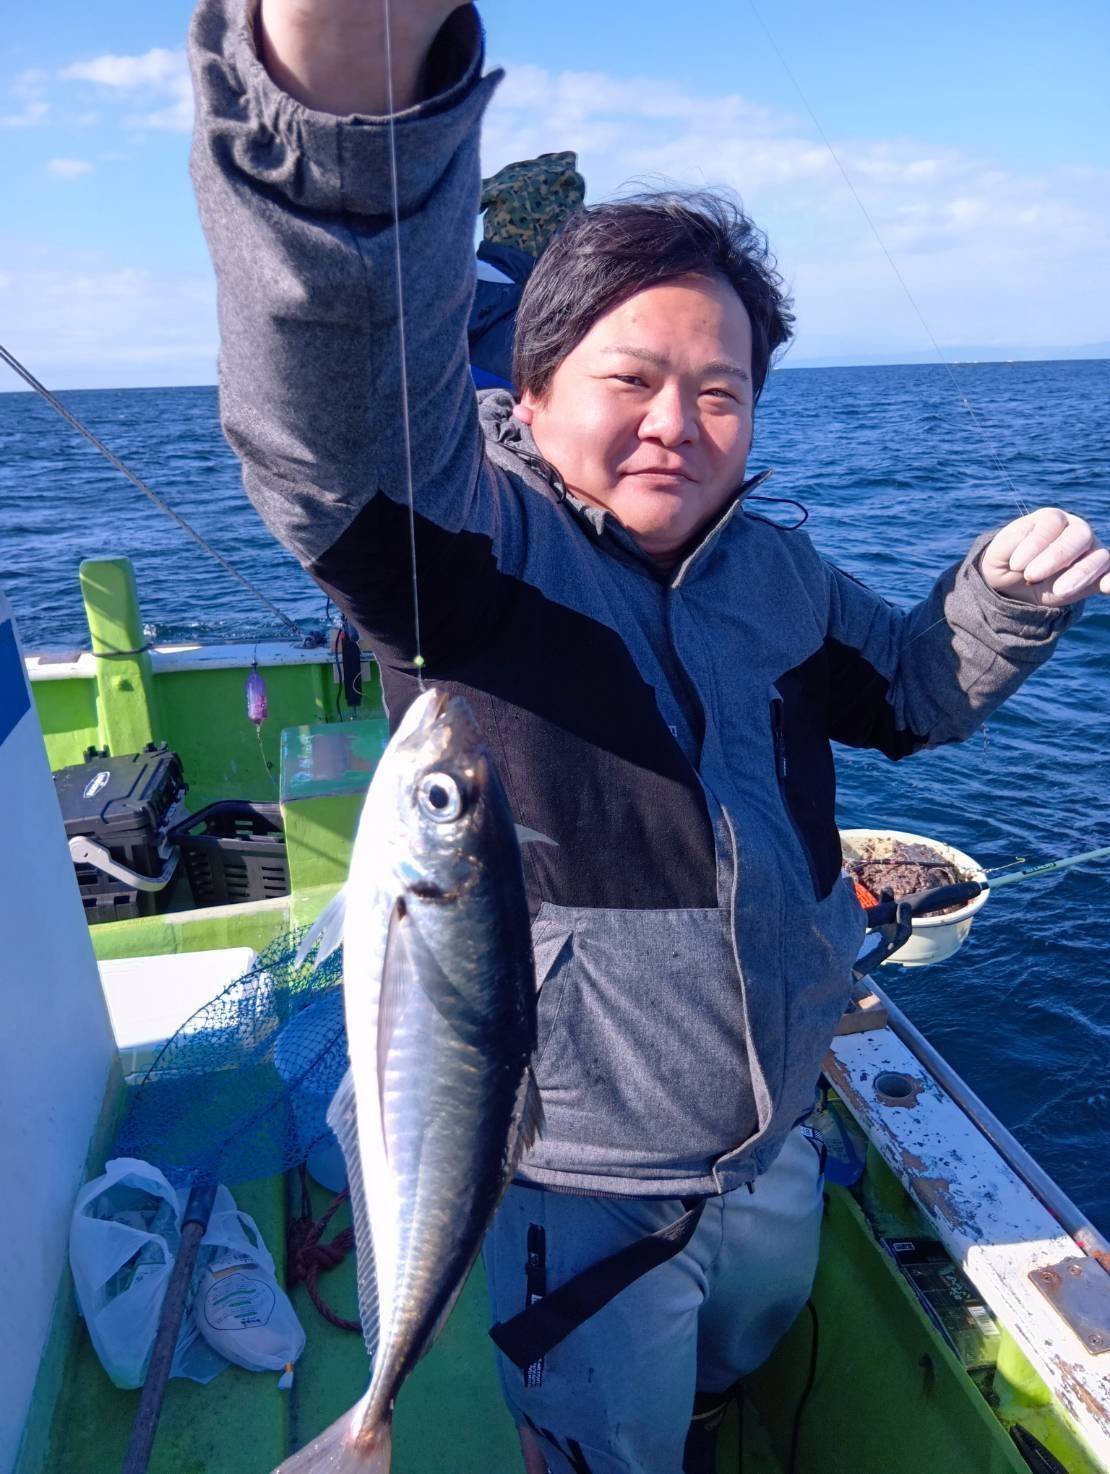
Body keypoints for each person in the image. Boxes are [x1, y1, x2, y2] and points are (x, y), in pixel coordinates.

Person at [188, 4, 1110, 1471]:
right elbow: (337, 409)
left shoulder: (778, 573)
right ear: (530, 388)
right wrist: (345, 113)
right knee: (605, 1439)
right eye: (630, 380)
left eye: (720, 390)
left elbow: (910, 693)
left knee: (739, 1354)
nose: (678, 422)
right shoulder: (471, 555)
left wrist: (996, 600)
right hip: (581, 1189)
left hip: (773, 1135)